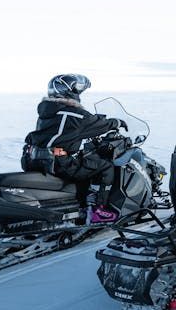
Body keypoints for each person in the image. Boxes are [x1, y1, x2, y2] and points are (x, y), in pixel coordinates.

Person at [22, 73, 125, 223]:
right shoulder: (72, 113)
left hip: (33, 158)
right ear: (68, 91)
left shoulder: (49, 109)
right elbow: (94, 124)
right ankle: (99, 210)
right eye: (77, 90)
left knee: (84, 166)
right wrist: (116, 123)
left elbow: (70, 129)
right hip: (57, 162)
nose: (79, 94)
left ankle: (80, 204)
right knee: (104, 166)